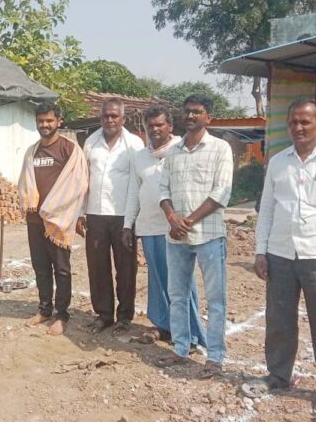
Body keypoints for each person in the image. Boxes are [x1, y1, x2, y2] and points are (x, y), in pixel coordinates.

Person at [242, 100, 316, 418]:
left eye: (305, 122)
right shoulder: (279, 162)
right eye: (293, 121)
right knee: (279, 320)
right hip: (281, 254)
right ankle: (278, 375)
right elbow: (267, 208)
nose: (298, 127)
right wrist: (261, 250)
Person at [156, 94, 233, 380]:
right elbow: (163, 190)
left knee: (216, 300)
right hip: (177, 236)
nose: (190, 116)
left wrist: (186, 221)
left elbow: (221, 192)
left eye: (197, 112)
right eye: (187, 111)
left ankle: (214, 357)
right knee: (177, 295)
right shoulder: (173, 152)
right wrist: (172, 218)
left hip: (209, 235)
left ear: (208, 118)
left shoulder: (220, 148)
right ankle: (180, 348)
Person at [122, 105, 206, 348]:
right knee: (158, 280)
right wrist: (128, 225)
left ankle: (190, 335)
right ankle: (165, 327)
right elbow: (134, 192)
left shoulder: (182, 150)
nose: (155, 129)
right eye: (150, 126)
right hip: (149, 227)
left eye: (160, 125)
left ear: (170, 126)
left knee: (180, 283)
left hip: (175, 229)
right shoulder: (140, 156)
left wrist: (187, 221)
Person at [18, 102, 88, 336]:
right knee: (40, 267)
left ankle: (62, 315)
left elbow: (78, 184)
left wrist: (59, 210)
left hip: (59, 221)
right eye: (41, 121)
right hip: (35, 220)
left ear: (59, 121)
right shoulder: (32, 151)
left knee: (62, 269)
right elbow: (24, 182)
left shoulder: (70, 150)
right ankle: (44, 309)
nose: (45, 125)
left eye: (49, 120)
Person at [79, 98, 145, 335]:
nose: (109, 120)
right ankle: (104, 315)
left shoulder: (134, 144)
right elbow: (83, 179)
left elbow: (137, 183)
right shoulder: (91, 142)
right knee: (97, 267)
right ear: (100, 118)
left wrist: (130, 222)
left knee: (126, 269)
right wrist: (80, 212)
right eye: (106, 116)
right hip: (95, 214)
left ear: (123, 119)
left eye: (114, 116)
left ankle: (125, 316)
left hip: (123, 217)